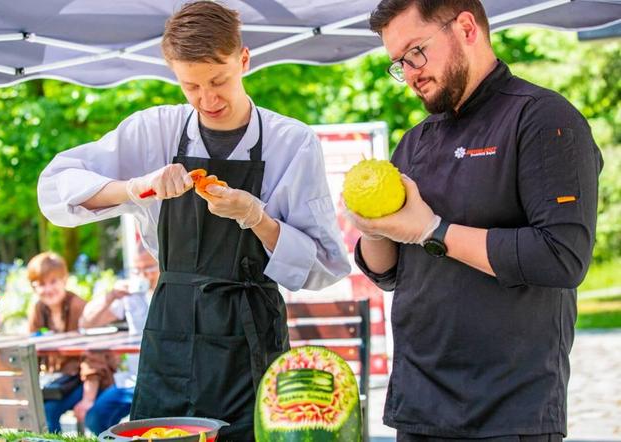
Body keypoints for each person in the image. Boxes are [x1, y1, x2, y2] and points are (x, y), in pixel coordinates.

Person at [37, 2, 350, 439]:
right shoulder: (153, 131)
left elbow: (326, 266)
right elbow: (54, 187)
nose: (208, 99)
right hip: (170, 335)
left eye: (218, 80)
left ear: (243, 59)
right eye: (191, 86)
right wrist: (134, 188)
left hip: (252, 340)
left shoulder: (292, 143)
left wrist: (257, 218)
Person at [347, 1, 604, 441]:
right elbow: (390, 272)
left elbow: (562, 257)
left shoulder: (542, 117)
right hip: (418, 404)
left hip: (507, 409)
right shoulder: (414, 142)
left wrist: (434, 231)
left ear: (466, 28)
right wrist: (373, 228)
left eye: (416, 52)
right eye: (398, 63)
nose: (409, 73)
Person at [27, 252, 117, 433]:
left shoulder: (79, 307)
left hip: (90, 379)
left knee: (50, 410)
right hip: (59, 381)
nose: (48, 289)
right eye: (41, 284)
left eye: (53, 282)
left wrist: (88, 399)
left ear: (64, 280)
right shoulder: (38, 309)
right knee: (42, 410)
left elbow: (93, 357)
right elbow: (32, 350)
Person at [78, 247, 159, 435]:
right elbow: (87, 322)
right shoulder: (131, 296)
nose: (143, 275)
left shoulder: (174, 294)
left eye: (149, 268)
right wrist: (111, 295)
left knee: (144, 423)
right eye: (137, 270)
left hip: (164, 379)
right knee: (96, 417)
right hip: (134, 379)